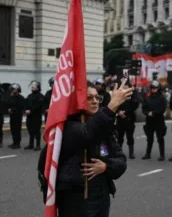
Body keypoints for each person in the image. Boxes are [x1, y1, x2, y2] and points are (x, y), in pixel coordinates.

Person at [50, 80, 131, 217]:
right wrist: (111, 106)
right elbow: (87, 133)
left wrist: (106, 166)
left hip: (100, 200)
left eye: (97, 97)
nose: (95, 101)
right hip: (75, 201)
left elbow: (121, 162)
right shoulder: (68, 127)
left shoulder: (105, 129)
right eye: (89, 98)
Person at [142, 80, 167, 161]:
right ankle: (148, 153)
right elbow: (144, 108)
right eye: (152, 88)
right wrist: (147, 113)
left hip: (159, 119)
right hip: (149, 120)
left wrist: (153, 112)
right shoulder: (147, 97)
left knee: (160, 138)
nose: (153, 90)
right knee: (149, 138)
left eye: (155, 88)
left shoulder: (162, 97)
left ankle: (162, 155)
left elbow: (162, 109)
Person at [116, 80, 139, 159]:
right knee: (119, 136)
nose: (124, 87)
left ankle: (131, 153)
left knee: (130, 136)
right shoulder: (119, 94)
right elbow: (114, 104)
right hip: (119, 118)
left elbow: (135, 105)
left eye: (126, 86)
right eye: (123, 86)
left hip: (129, 117)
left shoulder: (132, 94)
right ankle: (119, 153)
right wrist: (118, 111)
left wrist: (125, 112)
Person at [25, 81, 44, 151]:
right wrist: (26, 110)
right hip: (29, 116)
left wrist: (31, 110)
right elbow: (26, 103)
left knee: (36, 130)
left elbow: (38, 106)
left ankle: (38, 145)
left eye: (34, 86)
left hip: (36, 116)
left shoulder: (40, 96)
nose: (32, 87)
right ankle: (31, 144)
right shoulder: (29, 95)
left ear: (38, 87)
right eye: (32, 86)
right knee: (30, 129)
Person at [7, 83, 25, 149]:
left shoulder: (20, 98)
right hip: (12, 116)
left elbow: (20, 107)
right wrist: (9, 109)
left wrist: (13, 109)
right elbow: (9, 104)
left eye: (13, 89)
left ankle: (18, 143)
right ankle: (14, 142)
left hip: (18, 116)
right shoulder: (11, 97)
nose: (12, 91)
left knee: (17, 130)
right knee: (13, 129)